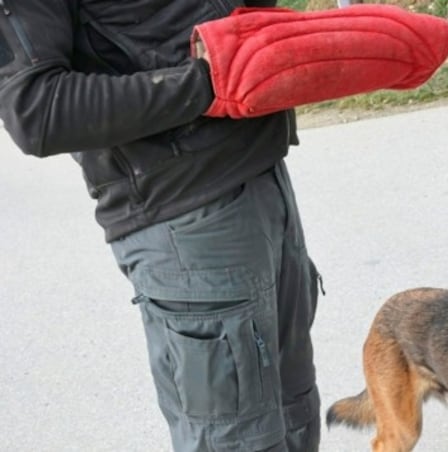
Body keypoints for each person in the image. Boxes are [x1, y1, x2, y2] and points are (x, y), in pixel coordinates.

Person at [0, 1, 321, 450]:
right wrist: (207, 82)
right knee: (237, 440)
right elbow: (37, 110)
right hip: (187, 221)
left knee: (295, 417)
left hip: (264, 177)